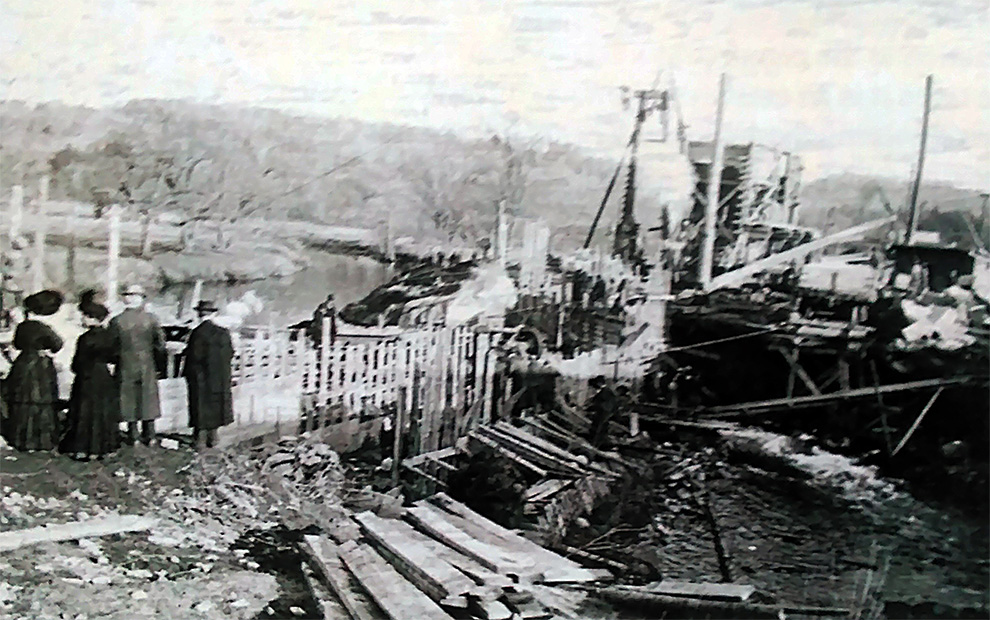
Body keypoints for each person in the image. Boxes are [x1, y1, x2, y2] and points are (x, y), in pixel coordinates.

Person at [1, 290, 64, 452]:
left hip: (23, 364)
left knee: (23, 402)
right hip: (41, 366)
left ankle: (20, 439)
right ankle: (41, 441)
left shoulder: (23, 326)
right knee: (41, 402)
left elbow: (17, 344)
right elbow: (57, 344)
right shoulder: (44, 328)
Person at [59, 302, 119, 460]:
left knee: (84, 412)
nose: (83, 319)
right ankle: (104, 448)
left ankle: (82, 448)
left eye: (85, 316)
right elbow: (115, 356)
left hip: (86, 376)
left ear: (93, 318)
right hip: (104, 376)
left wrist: (76, 369)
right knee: (102, 412)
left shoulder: (85, 338)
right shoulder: (110, 335)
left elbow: (77, 362)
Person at [108, 284, 166, 446]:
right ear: (142, 299)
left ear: (126, 299)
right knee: (148, 399)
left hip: (125, 364)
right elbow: (160, 345)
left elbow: (110, 347)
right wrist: (158, 365)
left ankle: (133, 435)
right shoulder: (152, 319)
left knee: (128, 399)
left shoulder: (117, 321)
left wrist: (117, 359)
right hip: (147, 364)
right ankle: (151, 435)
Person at [182, 300, 233, 449]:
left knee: (200, 405)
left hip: (201, 377)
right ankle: (214, 437)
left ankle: (200, 439)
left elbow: (194, 357)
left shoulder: (197, 333)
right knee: (217, 404)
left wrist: (188, 372)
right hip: (220, 377)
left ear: (199, 314)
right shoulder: (224, 333)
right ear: (214, 314)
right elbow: (230, 354)